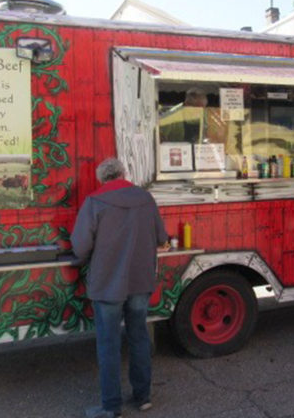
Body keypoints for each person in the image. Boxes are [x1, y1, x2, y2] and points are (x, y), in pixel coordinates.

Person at [72, 157, 169, 418]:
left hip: (107, 285)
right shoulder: (146, 199)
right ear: (124, 174)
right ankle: (143, 397)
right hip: (140, 281)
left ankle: (111, 406)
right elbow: (162, 238)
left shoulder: (95, 202)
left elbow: (80, 247)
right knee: (139, 336)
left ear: (102, 179)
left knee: (108, 343)